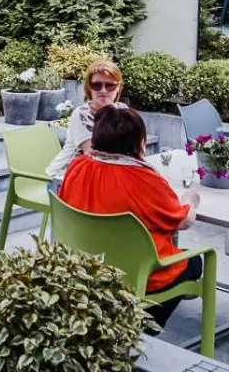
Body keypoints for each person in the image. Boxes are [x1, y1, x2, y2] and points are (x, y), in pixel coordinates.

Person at [58, 104, 202, 329]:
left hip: (86, 266)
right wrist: (191, 199)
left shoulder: (77, 167)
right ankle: (145, 323)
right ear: (138, 141)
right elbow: (183, 220)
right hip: (140, 275)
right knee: (195, 261)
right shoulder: (143, 180)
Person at [46, 58, 125, 186]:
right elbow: (93, 154)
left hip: (99, 176)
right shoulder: (81, 114)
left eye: (110, 85)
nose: (103, 91)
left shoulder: (123, 111)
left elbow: (139, 147)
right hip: (64, 178)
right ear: (89, 87)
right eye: (96, 85)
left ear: (118, 87)